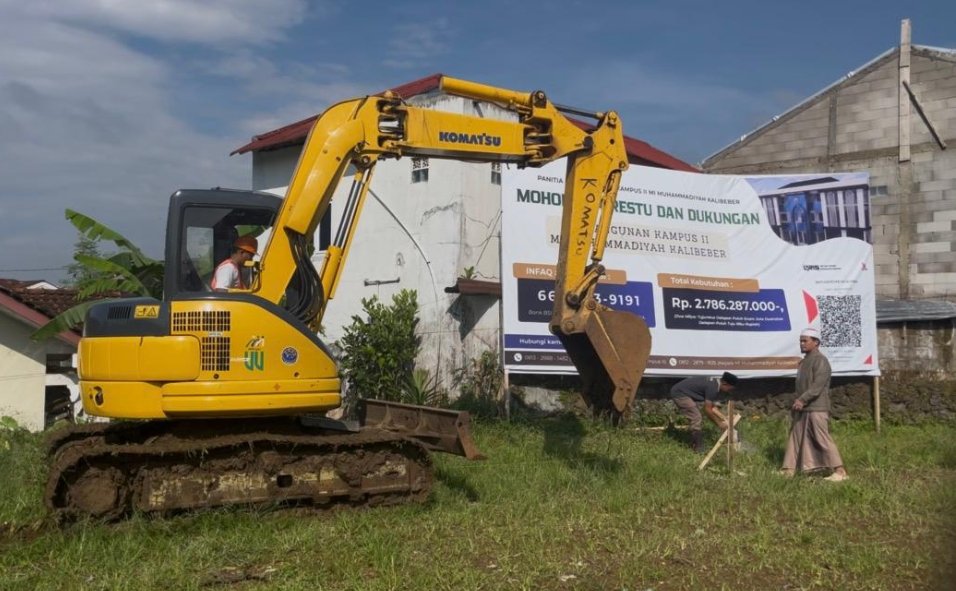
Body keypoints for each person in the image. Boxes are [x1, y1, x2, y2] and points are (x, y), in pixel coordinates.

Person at [780, 327, 848, 481]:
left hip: (817, 407)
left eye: (805, 341)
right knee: (795, 437)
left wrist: (802, 399)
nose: (802, 344)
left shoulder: (821, 361)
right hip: (803, 407)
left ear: (816, 342)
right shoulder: (804, 362)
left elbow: (818, 386)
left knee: (821, 437)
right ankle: (788, 470)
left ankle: (840, 471)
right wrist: (800, 401)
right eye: (801, 341)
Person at [670, 371, 738, 452]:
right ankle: (698, 447)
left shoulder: (715, 384)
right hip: (680, 393)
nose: (729, 391)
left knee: (697, 414)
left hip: (682, 391)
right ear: (725, 383)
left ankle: (697, 444)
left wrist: (723, 418)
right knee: (696, 417)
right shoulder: (713, 388)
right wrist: (719, 424)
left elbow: (712, 407)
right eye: (730, 388)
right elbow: (707, 409)